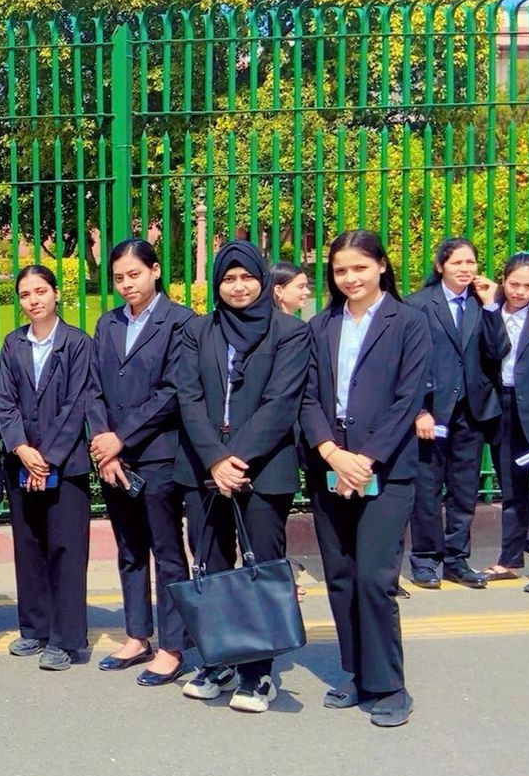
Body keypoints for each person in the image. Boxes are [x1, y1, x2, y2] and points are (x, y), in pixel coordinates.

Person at [300, 230, 430, 728]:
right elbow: (306, 397)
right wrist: (332, 454)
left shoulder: (409, 322)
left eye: (359, 267)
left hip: (386, 471)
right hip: (331, 467)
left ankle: (390, 684)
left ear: (381, 266)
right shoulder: (320, 325)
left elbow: (407, 399)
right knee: (341, 577)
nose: (350, 278)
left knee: (375, 579)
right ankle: (357, 673)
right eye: (340, 270)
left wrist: (366, 459)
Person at [173, 241, 309, 712]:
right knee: (210, 563)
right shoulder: (198, 330)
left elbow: (281, 402)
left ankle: (258, 672)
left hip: (264, 467)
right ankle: (221, 660)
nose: (238, 287)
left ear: (262, 280)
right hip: (204, 467)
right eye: (228, 279)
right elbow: (188, 397)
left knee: (260, 567)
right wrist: (215, 459)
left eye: (246, 277)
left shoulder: (290, 332)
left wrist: (237, 459)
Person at [89, 239, 196, 687]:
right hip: (113, 459)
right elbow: (93, 388)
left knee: (166, 551)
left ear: (154, 271)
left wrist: (122, 438)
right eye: (118, 278)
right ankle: (137, 636)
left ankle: (173, 646)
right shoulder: (108, 323)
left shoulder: (181, 322)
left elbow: (173, 392)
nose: (126, 285)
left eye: (134, 274)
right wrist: (103, 445)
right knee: (130, 549)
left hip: (157, 456)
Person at [0, 265, 102, 672]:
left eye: (40, 291)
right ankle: (35, 628)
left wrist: (48, 458)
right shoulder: (13, 343)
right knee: (29, 546)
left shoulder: (77, 343)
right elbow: (4, 401)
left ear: (56, 293)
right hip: (22, 464)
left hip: (66, 466)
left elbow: (77, 405)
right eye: (25, 294)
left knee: (66, 550)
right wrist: (22, 448)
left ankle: (66, 638)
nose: (33, 300)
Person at [405, 238, 504, 590]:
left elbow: (498, 351)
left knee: (464, 490)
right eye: (457, 262)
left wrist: (492, 307)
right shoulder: (418, 304)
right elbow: (408, 362)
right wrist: (419, 410)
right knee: (427, 489)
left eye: (470, 262)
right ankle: (425, 559)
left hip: (471, 413)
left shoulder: (483, 304)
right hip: (432, 412)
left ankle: (456, 559)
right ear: (440, 266)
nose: (465, 269)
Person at [484, 252, 529, 591]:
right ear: (503, 280)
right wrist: (491, 308)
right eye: (514, 283)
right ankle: (510, 560)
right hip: (503, 406)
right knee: (511, 487)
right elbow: (492, 353)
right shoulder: (492, 310)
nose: (520, 292)